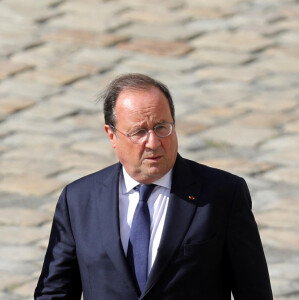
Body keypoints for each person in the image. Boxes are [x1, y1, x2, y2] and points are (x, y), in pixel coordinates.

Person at [34, 73, 273, 300]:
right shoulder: (79, 199)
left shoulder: (222, 194)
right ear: (112, 135)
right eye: (139, 132)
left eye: (161, 127)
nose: (153, 142)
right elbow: (55, 292)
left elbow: (254, 293)